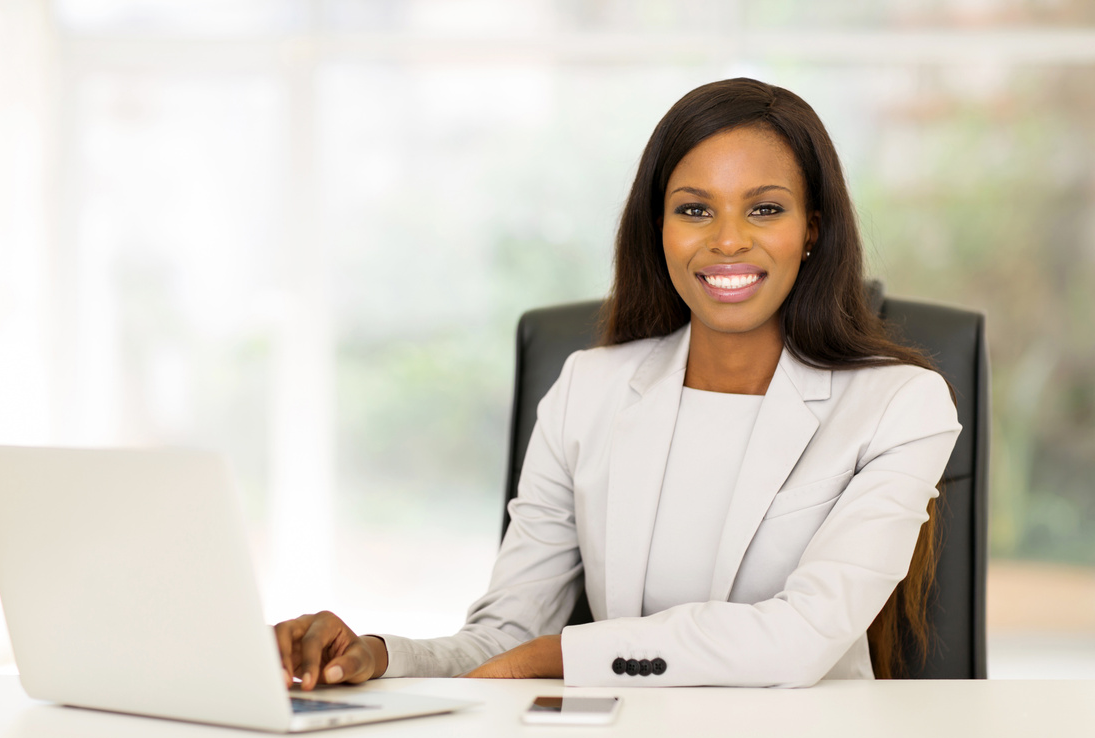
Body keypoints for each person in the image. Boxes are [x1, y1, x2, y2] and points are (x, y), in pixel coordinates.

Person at [274, 78, 962, 689]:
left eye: (764, 209)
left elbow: (799, 639)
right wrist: (376, 657)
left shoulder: (899, 406)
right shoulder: (587, 389)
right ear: (657, 227)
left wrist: (562, 658)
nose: (727, 241)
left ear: (812, 228)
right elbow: (507, 639)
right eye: (695, 209)